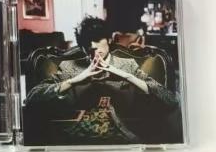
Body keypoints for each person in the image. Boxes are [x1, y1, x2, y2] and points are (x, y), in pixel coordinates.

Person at [24, 15, 179, 143]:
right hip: (77, 138)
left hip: (121, 138)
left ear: (109, 40)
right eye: (87, 45)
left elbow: (170, 99)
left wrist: (128, 76)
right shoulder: (69, 67)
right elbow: (32, 98)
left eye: (98, 41)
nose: (93, 48)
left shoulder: (127, 65)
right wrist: (73, 81)